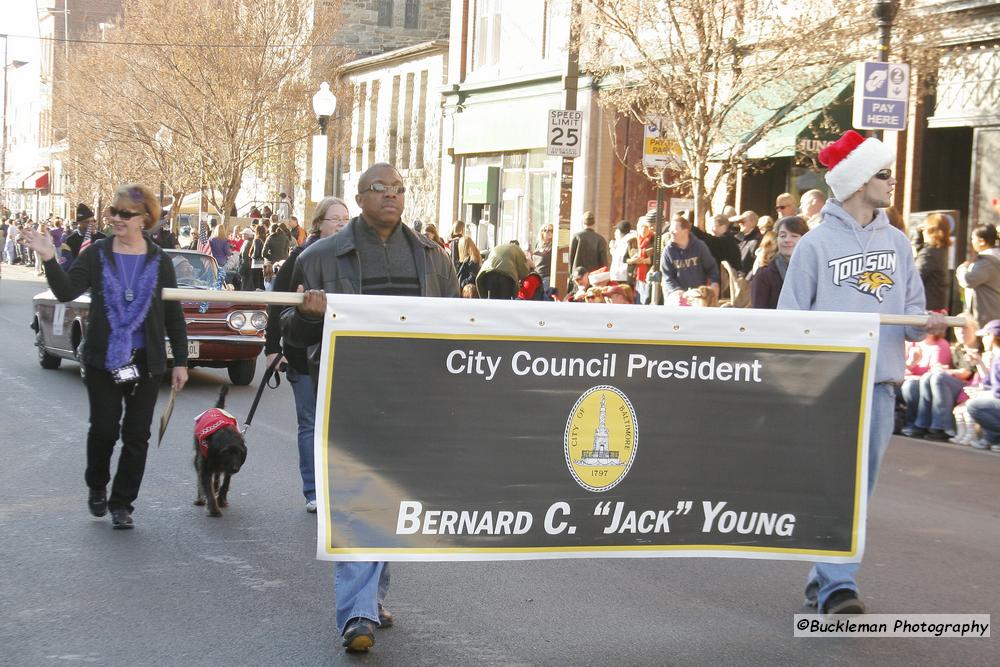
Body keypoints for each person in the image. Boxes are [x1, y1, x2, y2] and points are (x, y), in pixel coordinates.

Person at [282, 163, 459, 653]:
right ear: (359, 197)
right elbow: (290, 340)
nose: (391, 196)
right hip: (350, 393)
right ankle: (357, 614)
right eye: (380, 189)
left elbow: (455, 332)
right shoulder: (317, 258)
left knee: (389, 500)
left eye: (399, 190)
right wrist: (304, 316)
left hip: (411, 397)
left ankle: (372, 595)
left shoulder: (433, 259)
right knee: (360, 499)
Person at [778, 130, 945, 615]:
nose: (894, 183)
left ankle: (826, 576)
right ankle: (837, 586)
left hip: (880, 385)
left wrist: (926, 323)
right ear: (855, 181)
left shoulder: (897, 243)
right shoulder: (814, 246)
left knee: (860, 490)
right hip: (831, 385)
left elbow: (912, 315)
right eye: (884, 173)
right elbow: (791, 319)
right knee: (836, 485)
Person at [23, 183, 189, 530]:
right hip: (103, 358)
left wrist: (181, 362)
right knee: (103, 429)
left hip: (146, 361)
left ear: (145, 219)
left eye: (125, 214)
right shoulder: (97, 254)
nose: (116, 218)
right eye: (114, 211)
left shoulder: (159, 262)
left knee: (137, 435)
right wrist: (49, 257)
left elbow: (173, 314)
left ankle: (122, 503)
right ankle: (97, 485)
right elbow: (67, 290)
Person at [265, 196, 350, 513]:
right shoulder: (301, 257)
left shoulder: (350, 260)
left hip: (340, 353)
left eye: (346, 219)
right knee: (310, 424)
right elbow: (278, 304)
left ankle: (336, 486)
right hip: (302, 354)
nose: (342, 224)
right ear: (319, 224)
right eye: (335, 219)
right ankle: (313, 490)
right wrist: (272, 348)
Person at [902, 318, 978, 440]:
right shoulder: (957, 348)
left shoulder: (979, 347)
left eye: (964, 329)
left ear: (974, 329)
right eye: (958, 329)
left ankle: (941, 427)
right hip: (954, 383)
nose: (961, 332)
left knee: (938, 378)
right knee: (928, 377)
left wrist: (946, 371)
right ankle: (922, 425)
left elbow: (967, 373)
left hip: (971, 386)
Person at [660, 213, 719, 304]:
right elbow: (668, 277)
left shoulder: (700, 247)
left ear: (685, 231)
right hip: (677, 295)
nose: (671, 232)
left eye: (674, 229)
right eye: (670, 229)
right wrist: (677, 291)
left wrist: (714, 283)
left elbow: (711, 267)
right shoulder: (668, 251)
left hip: (698, 294)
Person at [750, 216, 808, 309]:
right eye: (782, 235)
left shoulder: (813, 273)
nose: (787, 240)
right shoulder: (764, 275)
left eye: (794, 236)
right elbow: (758, 313)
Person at [965, 319, 1000, 452]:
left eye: (985, 336)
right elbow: (989, 383)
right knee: (976, 402)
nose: (983, 340)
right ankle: (992, 439)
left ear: (993, 337)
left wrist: (983, 393)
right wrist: (979, 363)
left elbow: (997, 392)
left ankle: (994, 438)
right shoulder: (996, 356)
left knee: (973, 405)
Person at [956, 224, 1000, 328]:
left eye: (972, 238)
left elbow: (967, 280)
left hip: (986, 317)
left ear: (982, 241)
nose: (971, 241)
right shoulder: (993, 258)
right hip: (991, 314)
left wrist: (962, 268)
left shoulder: (987, 262)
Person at [915, 213, 951, 312]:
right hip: (939, 306)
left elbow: (915, 279)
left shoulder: (929, 253)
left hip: (929, 309)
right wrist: (919, 234)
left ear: (930, 230)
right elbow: (921, 250)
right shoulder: (941, 249)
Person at [567, 211, 609, 291]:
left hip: (578, 276)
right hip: (594, 277)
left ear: (583, 222)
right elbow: (604, 263)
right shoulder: (600, 239)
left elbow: (571, 259)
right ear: (594, 223)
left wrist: (571, 275)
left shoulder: (576, 237)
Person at [629, 217, 654, 304]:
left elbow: (655, 260)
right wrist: (633, 260)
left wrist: (643, 260)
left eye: (646, 227)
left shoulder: (654, 240)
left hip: (648, 275)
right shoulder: (632, 241)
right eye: (641, 227)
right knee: (636, 299)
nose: (643, 230)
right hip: (636, 275)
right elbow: (626, 259)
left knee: (646, 299)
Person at [730, 210, 762, 275]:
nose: (740, 223)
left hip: (745, 278)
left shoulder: (757, 239)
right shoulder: (741, 235)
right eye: (739, 221)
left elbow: (756, 263)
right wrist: (732, 220)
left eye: (743, 221)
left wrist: (747, 279)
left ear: (752, 222)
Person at [609, 220, 637, 286]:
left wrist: (613, 249)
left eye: (616, 230)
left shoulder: (628, 242)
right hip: (619, 276)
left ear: (619, 231)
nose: (615, 233)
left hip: (623, 276)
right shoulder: (620, 242)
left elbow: (621, 258)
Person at [531, 223, 554, 291]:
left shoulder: (553, 246)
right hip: (536, 277)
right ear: (541, 232)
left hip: (546, 277)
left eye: (551, 230)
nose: (549, 232)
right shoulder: (538, 245)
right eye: (546, 230)